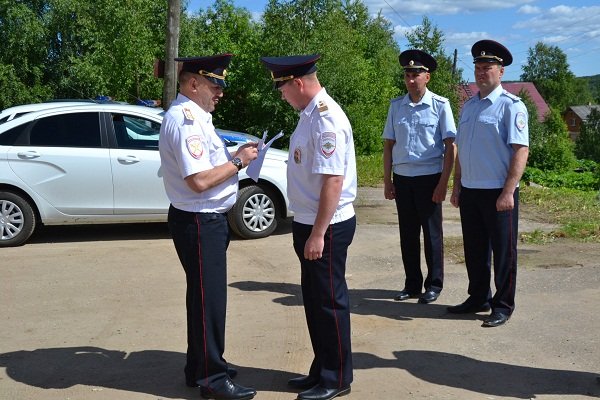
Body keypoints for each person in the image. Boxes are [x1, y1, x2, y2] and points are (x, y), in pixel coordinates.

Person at [159, 54, 258, 399]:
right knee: (209, 301)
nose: (221, 93)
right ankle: (212, 379)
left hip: (203, 221)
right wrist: (238, 161)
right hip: (200, 221)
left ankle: (200, 366)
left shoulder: (197, 117)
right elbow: (199, 181)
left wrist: (234, 153)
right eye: (216, 85)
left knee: (202, 298)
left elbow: (205, 164)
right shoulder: (186, 120)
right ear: (194, 83)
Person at [261, 54, 356, 400]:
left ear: (297, 83)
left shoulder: (326, 119)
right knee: (315, 302)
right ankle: (322, 369)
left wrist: (318, 233)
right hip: (309, 222)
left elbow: (333, 181)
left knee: (329, 302)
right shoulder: (309, 115)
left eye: (282, 88)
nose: (281, 95)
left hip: (326, 226)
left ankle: (337, 377)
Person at [448, 40, 529, 328]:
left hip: (498, 192)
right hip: (471, 189)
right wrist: (457, 186)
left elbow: (521, 150)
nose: (481, 73)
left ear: (501, 71)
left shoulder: (511, 106)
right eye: (478, 68)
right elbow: (462, 149)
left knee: (503, 252)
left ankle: (503, 304)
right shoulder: (469, 106)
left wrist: (508, 191)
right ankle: (478, 297)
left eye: (488, 68)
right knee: (475, 249)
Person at [382, 49, 456, 304]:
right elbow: (389, 145)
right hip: (403, 178)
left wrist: (443, 183)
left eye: (416, 74)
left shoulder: (440, 105)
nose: (411, 79)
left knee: (432, 234)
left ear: (428, 77)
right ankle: (412, 283)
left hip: (429, 177)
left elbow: (450, 147)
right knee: (408, 234)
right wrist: (387, 181)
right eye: (407, 75)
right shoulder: (396, 106)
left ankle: (434, 285)